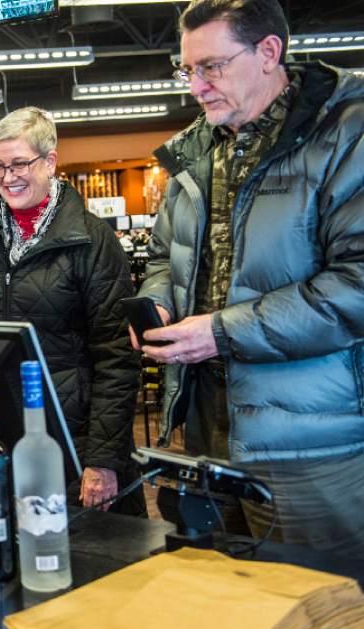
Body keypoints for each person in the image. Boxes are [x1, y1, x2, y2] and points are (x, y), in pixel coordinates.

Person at [134, 0, 364, 553]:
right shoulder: (198, 151)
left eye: (211, 66)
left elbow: (356, 285)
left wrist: (220, 331)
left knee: (320, 615)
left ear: (268, 53)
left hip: (308, 441)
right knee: (235, 608)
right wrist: (158, 302)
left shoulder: (345, 135)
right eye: (187, 69)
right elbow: (166, 255)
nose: (196, 86)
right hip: (209, 427)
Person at [0, 107, 144, 515]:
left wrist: (102, 459)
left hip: (72, 439)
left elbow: (117, 355)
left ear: (49, 162)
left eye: (19, 164)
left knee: (88, 561)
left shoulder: (91, 240)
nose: (8, 177)